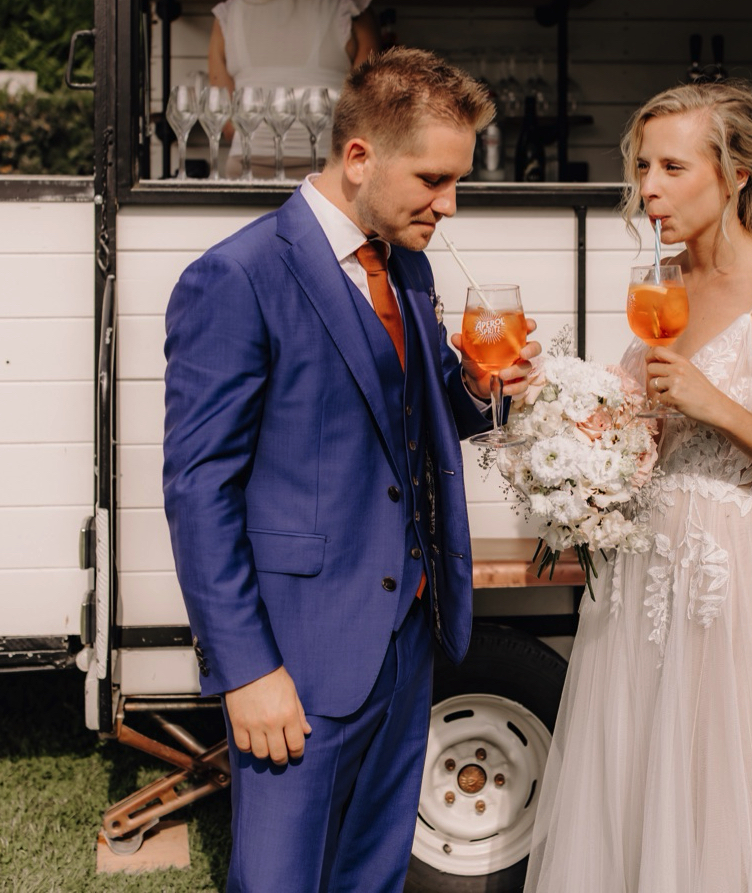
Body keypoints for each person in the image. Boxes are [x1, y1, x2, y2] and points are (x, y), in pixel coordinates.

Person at [163, 47, 540, 893]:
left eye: (457, 183)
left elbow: (419, 408)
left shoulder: (405, 263)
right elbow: (199, 493)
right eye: (435, 180)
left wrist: (483, 390)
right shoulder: (236, 277)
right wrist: (249, 671)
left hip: (408, 639)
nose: (450, 205)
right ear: (361, 157)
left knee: (372, 877)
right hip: (297, 656)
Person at [524, 80, 752, 891]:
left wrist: (719, 407)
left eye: (671, 167)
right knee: (639, 797)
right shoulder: (663, 289)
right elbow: (648, 435)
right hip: (639, 591)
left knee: (730, 806)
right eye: (641, 167)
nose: (648, 189)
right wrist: (572, 421)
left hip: (733, 592)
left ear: (734, 177)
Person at [208, 0, 379, 174]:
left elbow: (225, 124)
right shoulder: (352, 12)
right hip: (328, 177)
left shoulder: (228, 16)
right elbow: (367, 115)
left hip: (248, 170)